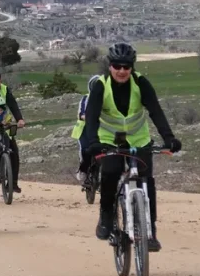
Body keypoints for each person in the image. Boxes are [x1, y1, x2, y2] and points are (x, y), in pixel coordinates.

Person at [85, 43, 182, 252]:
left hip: (138, 140)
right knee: (110, 173)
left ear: (132, 67)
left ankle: (150, 232)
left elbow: (155, 110)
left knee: (147, 182)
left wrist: (169, 137)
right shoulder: (101, 86)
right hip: (110, 140)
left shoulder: (141, 83)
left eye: (126, 67)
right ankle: (106, 216)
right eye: (117, 66)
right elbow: (91, 117)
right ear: (110, 67)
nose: (122, 71)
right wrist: (93, 141)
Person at [72, 75, 102, 182]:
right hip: (85, 129)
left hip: (102, 129)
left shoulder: (107, 99)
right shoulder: (86, 99)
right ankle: (83, 170)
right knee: (85, 150)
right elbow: (81, 114)